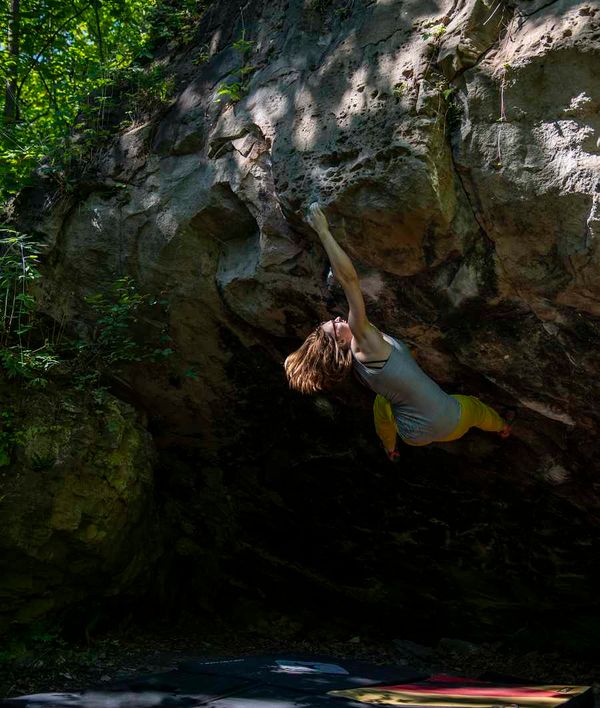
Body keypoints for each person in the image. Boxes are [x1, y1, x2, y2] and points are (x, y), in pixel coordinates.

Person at [284, 203, 513, 461]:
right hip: (452, 422)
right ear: (339, 341)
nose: (337, 318)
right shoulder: (361, 337)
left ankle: (390, 448)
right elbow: (348, 279)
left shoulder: (355, 366)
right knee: (474, 408)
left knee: (382, 404)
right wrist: (323, 230)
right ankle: (502, 427)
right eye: (335, 325)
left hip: (414, 435)